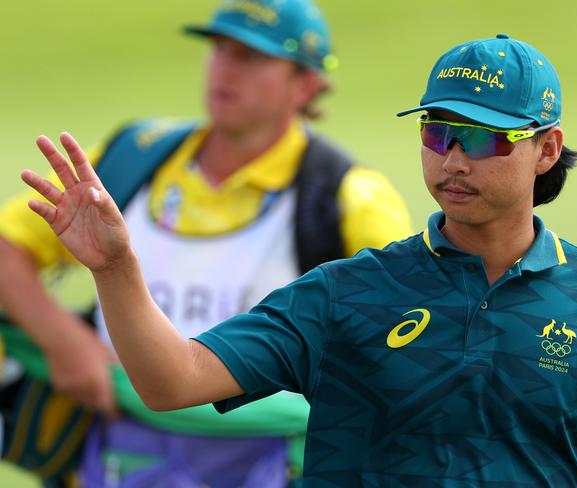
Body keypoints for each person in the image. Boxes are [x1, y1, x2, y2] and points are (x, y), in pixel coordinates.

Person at [20, 33, 577, 487]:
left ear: (546, 150)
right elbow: (171, 381)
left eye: (485, 137)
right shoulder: (346, 292)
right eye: (438, 131)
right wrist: (114, 268)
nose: (454, 159)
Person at [0, 0, 413, 486]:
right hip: (117, 443)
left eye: (252, 56)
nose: (226, 69)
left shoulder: (350, 195)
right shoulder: (132, 157)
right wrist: (64, 340)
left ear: (307, 84)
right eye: (219, 49)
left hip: (277, 461)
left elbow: (416, 327)